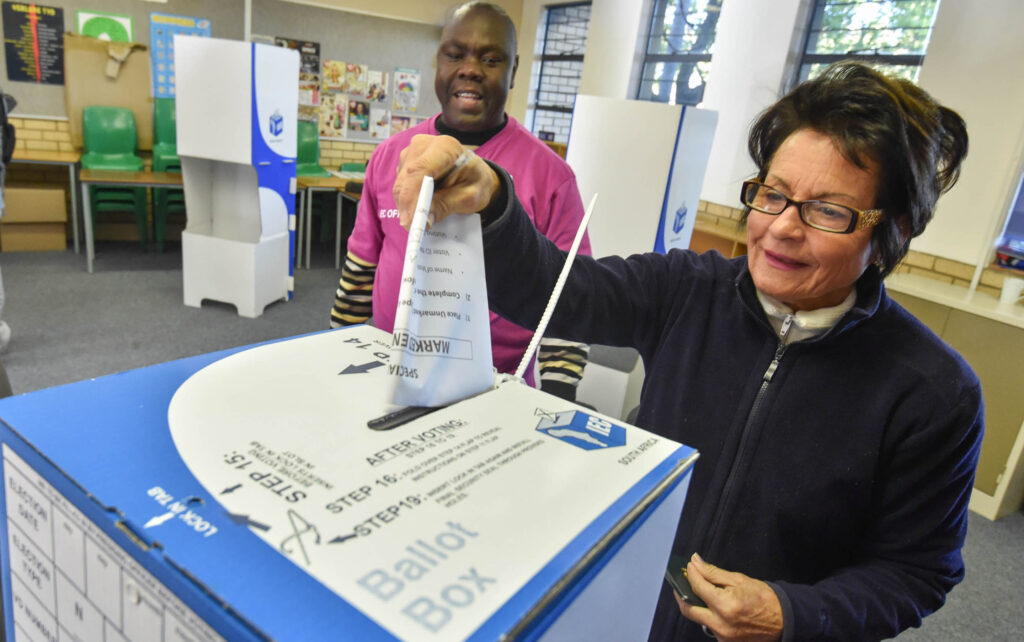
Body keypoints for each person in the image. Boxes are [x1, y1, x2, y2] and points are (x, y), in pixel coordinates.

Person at [392, 62, 982, 641]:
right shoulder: (690, 290)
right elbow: (562, 292)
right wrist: (493, 200)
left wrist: (792, 615)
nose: (780, 228)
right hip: (631, 608)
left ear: (893, 232)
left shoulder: (933, 392)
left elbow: (916, 572)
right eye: (771, 194)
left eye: (828, 210)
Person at [331, 1, 591, 400]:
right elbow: (361, 268)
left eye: (490, 58)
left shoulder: (552, 177)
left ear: (514, 70)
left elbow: (569, 298)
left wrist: (555, 405)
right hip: (388, 370)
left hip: (496, 385)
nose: (470, 69)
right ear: (439, 62)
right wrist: (335, 355)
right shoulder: (391, 156)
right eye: (455, 55)